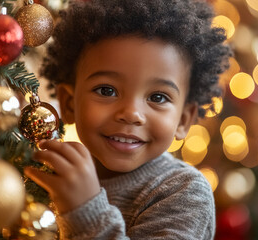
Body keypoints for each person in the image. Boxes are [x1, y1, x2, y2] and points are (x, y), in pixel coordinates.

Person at [24, 0, 231, 239]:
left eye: (157, 97)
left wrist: (85, 212)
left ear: (184, 120)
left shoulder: (184, 192)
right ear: (69, 104)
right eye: (106, 91)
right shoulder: (47, 173)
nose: (131, 113)